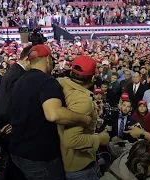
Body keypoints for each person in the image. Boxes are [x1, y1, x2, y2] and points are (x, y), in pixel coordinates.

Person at [9, 45, 92, 180]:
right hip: (39, 157)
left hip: (17, 152)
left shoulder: (20, 80)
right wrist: (85, 119)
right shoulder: (47, 82)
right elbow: (54, 114)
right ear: (48, 59)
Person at [57, 56, 110, 180]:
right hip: (78, 166)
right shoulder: (82, 101)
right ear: (92, 78)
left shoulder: (61, 83)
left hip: (63, 160)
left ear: (71, 72)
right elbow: (72, 140)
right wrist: (99, 139)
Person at [0, 45, 33, 180]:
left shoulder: (15, 71)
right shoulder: (17, 75)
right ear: (27, 59)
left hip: (9, 125)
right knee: (16, 165)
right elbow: (13, 104)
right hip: (10, 127)